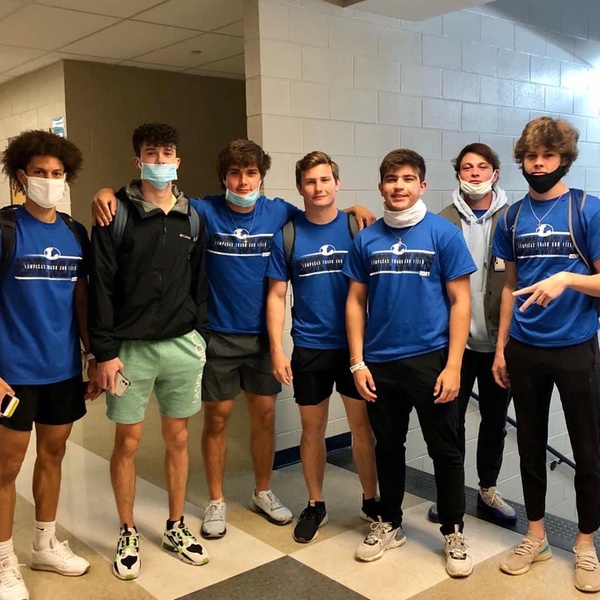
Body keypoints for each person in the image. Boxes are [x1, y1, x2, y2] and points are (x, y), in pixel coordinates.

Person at [92, 139, 374, 540]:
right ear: (223, 177)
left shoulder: (279, 213)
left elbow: (318, 215)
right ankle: (216, 499)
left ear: (262, 176)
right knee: (218, 420)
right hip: (217, 337)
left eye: (252, 173)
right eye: (235, 174)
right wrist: (106, 193)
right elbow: (155, 196)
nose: (243, 182)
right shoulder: (203, 210)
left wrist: (353, 210)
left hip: (262, 338)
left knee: (264, 417)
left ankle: (263, 490)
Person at [343, 148, 476, 577]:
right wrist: (357, 363)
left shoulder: (443, 233)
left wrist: (454, 365)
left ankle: (453, 530)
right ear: (380, 186)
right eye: (390, 179)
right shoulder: (366, 240)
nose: (398, 186)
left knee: (446, 450)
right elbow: (355, 301)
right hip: (380, 363)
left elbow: (461, 301)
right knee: (388, 447)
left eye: (407, 179)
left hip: (432, 361)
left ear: (421, 185)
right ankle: (389, 522)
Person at [88, 123, 210, 580]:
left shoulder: (192, 216)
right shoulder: (114, 213)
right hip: (129, 351)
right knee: (128, 442)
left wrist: (200, 335)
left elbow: (200, 283)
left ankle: (176, 525)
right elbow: (99, 286)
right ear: (137, 160)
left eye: (168, 153)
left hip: (182, 346)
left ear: (178, 160)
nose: (160, 161)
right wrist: (104, 351)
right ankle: (126, 530)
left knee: (178, 438)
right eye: (151, 153)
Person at [492, 116, 600, 593]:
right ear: (522, 161)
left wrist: (568, 279)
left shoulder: (587, 210)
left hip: (577, 347)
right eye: (532, 157)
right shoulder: (511, 217)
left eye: (548, 157)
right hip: (524, 350)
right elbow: (509, 287)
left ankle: (584, 544)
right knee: (531, 446)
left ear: (564, 160)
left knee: (587, 450)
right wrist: (501, 349)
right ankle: (535, 536)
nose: (539, 164)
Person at [0, 130, 100, 600]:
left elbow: (81, 298)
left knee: (53, 455)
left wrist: (89, 354)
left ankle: (43, 543)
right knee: (6, 468)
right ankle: (3, 560)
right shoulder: (5, 228)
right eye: (39, 173)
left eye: (57, 174)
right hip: (12, 373)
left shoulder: (74, 232)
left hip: (61, 370)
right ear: (21, 176)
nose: (49, 180)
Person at [265, 151, 379, 544]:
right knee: (312, 430)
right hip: (310, 349)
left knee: (361, 428)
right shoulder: (289, 235)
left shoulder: (357, 227)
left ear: (337, 183)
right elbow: (277, 295)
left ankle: (371, 499)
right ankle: (316, 503)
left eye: (325, 180)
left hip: (355, 350)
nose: (318, 188)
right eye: (310, 182)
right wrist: (277, 350)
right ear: (300, 188)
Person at [429, 143, 516, 523]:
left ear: (495, 174)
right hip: (455, 347)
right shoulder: (440, 221)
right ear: (458, 175)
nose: (475, 174)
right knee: (451, 422)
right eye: (467, 168)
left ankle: (487, 490)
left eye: (483, 167)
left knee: (495, 422)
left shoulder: (514, 219)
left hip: (500, 345)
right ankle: (451, 495)